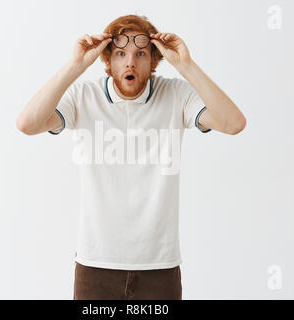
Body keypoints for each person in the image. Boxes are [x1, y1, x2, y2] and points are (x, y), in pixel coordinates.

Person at [16, 14, 246, 300]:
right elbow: (27, 124)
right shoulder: (82, 96)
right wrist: (75, 66)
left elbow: (234, 123)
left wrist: (186, 65)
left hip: (160, 266)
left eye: (140, 54)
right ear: (108, 60)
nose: (130, 63)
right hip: (95, 265)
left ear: (154, 61)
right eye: (121, 54)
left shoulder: (175, 95)